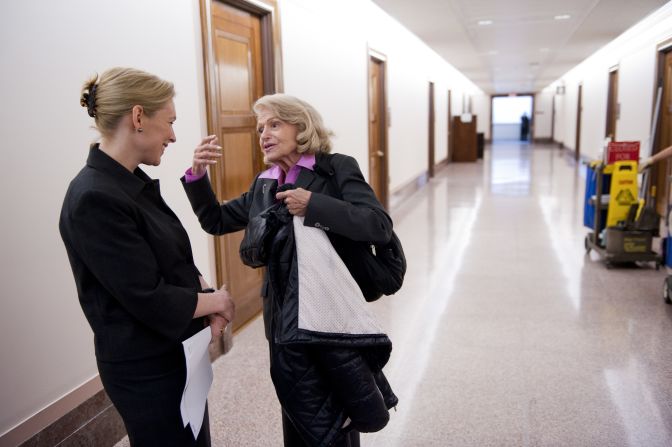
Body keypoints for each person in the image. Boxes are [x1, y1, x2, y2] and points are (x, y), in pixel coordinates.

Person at [181, 93, 398, 446]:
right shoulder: (265, 183)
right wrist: (197, 177)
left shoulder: (336, 168)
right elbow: (216, 220)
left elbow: (377, 226)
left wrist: (314, 204)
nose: (263, 133)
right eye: (260, 128)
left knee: (336, 415)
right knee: (297, 408)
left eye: (274, 124)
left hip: (329, 314)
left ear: (302, 126)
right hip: (283, 319)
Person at [59, 67, 235, 447]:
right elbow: (148, 297)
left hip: (174, 355)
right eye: (169, 122)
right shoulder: (94, 198)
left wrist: (203, 295)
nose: (173, 135)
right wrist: (217, 300)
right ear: (138, 117)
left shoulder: (129, 181)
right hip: (147, 369)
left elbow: (171, 257)